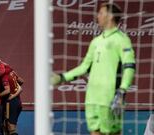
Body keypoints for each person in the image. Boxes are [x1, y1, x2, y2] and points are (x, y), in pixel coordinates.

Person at [52, 3, 135, 135]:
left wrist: (122, 90)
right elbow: (84, 66)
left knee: (113, 133)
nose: (98, 16)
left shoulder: (122, 40)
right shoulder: (95, 41)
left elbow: (129, 67)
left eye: (101, 13)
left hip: (110, 97)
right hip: (92, 97)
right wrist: (62, 77)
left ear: (111, 16)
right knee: (94, 132)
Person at [2, 71, 23, 135]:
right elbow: (21, 81)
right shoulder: (12, 72)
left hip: (10, 103)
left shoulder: (3, 76)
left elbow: (8, 90)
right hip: (17, 102)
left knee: (10, 127)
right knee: (8, 126)